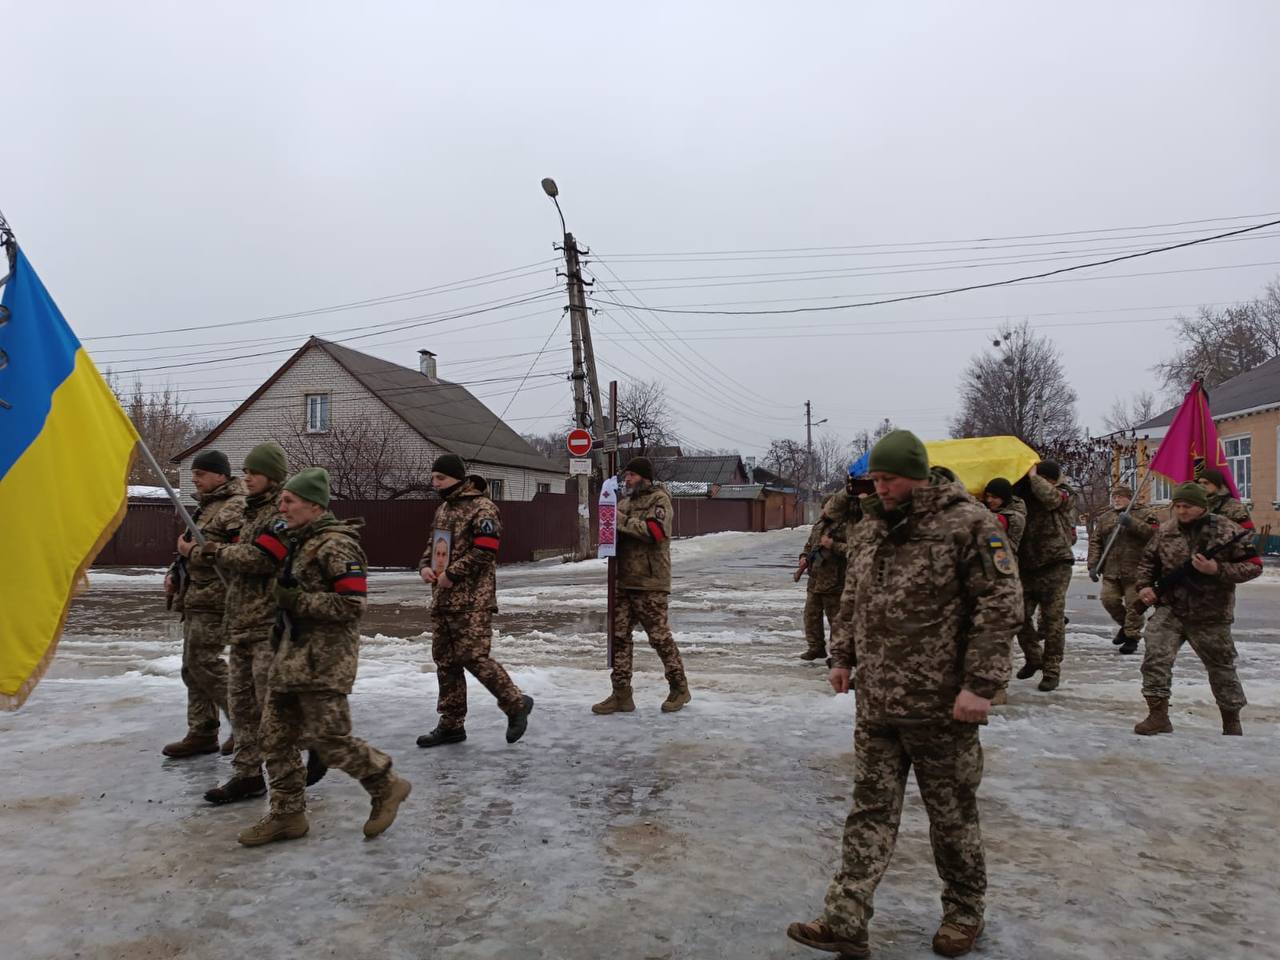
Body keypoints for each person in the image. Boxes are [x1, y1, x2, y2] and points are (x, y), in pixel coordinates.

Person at [787, 431, 1022, 959]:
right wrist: (842, 657)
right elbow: (852, 599)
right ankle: (846, 920)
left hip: (943, 708)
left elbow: (1000, 607)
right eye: (874, 479)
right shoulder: (871, 528)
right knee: (868, 811)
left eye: (887, 479)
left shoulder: (969, 526)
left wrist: (980, 686)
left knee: (952, 816)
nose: (880, 488)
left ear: (917, 474)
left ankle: (964, 913)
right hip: (878, 702)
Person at [239, 467, 411, 846]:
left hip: (324, 661)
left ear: (314, 506)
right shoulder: (301, 542)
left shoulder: (336, 545)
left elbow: (352, 604)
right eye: (281, 499)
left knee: (330, 739)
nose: (281, 506)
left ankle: (386, 784)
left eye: (289, 500)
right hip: (290, 658)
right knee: (274, 737)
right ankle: (288, 815)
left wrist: (297, 601)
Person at [195, 442, 312, 804]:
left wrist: (214, 551)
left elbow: (262, 558)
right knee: (242, 705)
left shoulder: (279, 514)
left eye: (253, 473)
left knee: (270, 710)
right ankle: (247, 775)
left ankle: (290, 785)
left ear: (272, 476)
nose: (246, 479)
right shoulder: (249, 511)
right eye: (244, 472)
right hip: (243, 622)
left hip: (268, 625)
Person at [416, 454, 533, 747]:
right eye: (433, 478)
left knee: (473, 657)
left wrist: (452, 574)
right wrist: (425, 567)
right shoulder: (443, 509)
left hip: (472, 600)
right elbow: (433, 546)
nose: (435, 484)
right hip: (442, 598)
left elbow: (486, 549)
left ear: (457, 477)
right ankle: (451, 724)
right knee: (445, 662)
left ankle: (515, 702)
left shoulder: (483, 507)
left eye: (440, 478)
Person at [1133, 481, 1261, 737]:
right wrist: (1144, 587)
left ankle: (1231, 721)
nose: (1181, 511)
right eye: (1177, 505)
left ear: (1202, 507)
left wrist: (1218, 570)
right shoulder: (1166, 531)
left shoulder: (1227, 531)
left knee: (1221, 667)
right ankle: (1158, 715)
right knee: (1155, 659)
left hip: (1210, 612)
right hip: (1171, 608)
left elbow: (1254, 566)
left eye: (1187, 506)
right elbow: (1148, 562)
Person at [592, 456, 691, 714]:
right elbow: (614, 531)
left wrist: (620, 522)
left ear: (644, 477)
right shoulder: (624, 502)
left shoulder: (660, 500)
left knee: (659, 637)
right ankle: (621, 693)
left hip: (650, 582)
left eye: (631, 476)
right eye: (625, 476)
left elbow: (656, 532)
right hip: (624, 581)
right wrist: (606, 529)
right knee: (619, 638)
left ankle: (680, 688)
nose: (627, 479)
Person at [165, 449, 242, 758]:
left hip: (217, 599)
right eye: (193, 474)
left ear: (220, 476)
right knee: (191, 668)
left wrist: (190, 553)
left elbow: (235, 553)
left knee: (206, 664)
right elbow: (189, 547)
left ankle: (245, 724)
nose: (194, 479)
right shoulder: (206, 507)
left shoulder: (234, 508)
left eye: (201, 474)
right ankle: (202, 731)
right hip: (196, 597)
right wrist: (174, 571)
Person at [1013, 460, 1077, 692]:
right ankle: (1034, 656)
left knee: (1052, 620)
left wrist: (1033, 477)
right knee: (1017, 616)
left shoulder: (1065, 493)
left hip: (1055, 564)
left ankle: (1051, 670)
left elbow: (1052, 499)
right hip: (1027, 565)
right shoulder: (1023, 495)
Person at [1087, 483, 1159, 655]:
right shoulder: (1106, 518)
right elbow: (1096, 541)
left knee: (1134, 605)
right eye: (1114, 497)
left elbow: (1155, 536)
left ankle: (1132, 637)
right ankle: (1126, 627)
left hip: (1136, 570)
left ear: (1129, 497)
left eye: (1120, 496)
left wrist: (1132, 523)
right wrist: (1093, 564)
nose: (1116, 500)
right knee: (1108, 600)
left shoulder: (1146, 514)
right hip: (1111, 570)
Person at [795, 496, 848, 662]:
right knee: (810, 616)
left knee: (837, 621)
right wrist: (803, 556)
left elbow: (854, 550)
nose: (824, 511)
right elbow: (809, 545)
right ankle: (816, 647)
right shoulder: (819, 525)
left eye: (828, 508)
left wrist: (832, 545)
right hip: (815, 580)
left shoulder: (845, 526)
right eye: (823, 507)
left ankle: (839, 655)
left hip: (835, 581)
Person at [982, 478, 1026, 552]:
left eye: (994, 497)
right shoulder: (995, 509)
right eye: (987, 496)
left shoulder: (1014, 517)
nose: (989, 500)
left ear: (1004, 498)